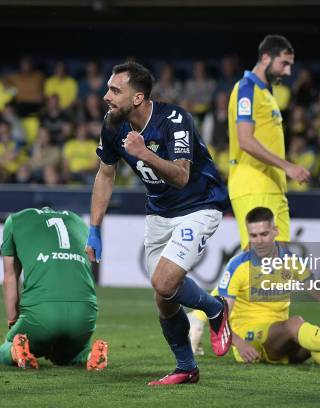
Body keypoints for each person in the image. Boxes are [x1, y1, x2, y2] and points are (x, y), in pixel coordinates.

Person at [85, 61, 232, 385]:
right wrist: (95, 228)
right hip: (159, 213)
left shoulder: (175, 120)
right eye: (108, 88)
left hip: (199, 205)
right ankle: (186, 367)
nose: (106, 96)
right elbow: (105, 174)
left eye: (114, 90)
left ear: (138, 98)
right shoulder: (113, 125)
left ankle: (215, 308)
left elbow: (180, 176)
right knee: (163, 297)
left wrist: (143, 153)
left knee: (165, 283)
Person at [189, 207, 320, 367]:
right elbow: (221, 315)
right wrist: (239, 343)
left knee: (311, 343)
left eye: (264, 234)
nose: (259, 241)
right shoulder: (238, 266)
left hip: (279, 338)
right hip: (250, 340)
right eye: (253, 235)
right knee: (296, 323)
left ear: (276, 232)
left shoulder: (290, 261)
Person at [0, 207, 107, 371]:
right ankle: (91, 355)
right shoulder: (78, 221)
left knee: (5, 348)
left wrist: (13, 322)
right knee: (67, 355)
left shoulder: (15, 220)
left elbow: (10, 277)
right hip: (85, 314)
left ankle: (16, 350)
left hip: (42, 313)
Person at [228, 34, 310, 250]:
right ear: (266, 58)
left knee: (279, 263)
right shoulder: (247, 89)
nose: (287, 71)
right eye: (284, 63)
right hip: (254, 185)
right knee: (262, 264)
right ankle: (226, 286)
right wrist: (287, 165)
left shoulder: (267, 94)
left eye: (290, 65)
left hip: (273, 186)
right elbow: (245, 140)